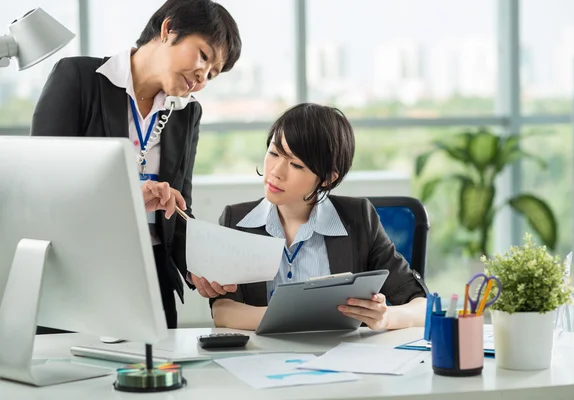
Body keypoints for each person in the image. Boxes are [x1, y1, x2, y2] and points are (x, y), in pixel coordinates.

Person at [30, 0, 242, 330]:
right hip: (78, 275)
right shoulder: (78, 79)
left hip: (150, 281)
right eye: (203, 55)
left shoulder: (186, 113)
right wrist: (125, 197)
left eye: (212, 75)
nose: (202, 77)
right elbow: (40, 185)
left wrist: (199, 264)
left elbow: (179, 211)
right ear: (168, 29)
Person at [191, 103, 428, 331]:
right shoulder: (237, 220)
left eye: (296, 165)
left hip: (341, 359)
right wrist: (307, 316)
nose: (276, 172)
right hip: (261, 360)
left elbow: (422, 306)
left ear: (328, 178)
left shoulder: (359, 220)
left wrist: (385, 317)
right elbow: (223, 311)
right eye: (274, 153)